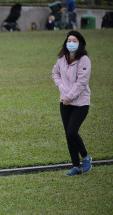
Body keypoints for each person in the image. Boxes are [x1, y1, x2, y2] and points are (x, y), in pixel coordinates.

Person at [52, 31, 92, 176]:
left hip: (80, 103)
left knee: (72, 132)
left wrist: (69, 96)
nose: (71, 43)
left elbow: (82, 83)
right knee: (68, 135)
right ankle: (76, 166)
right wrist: (61, 86)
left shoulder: (84, 60)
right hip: (65, 102)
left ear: (80, 43)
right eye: (69, 40)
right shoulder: (62, 59)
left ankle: (86, 157)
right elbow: (54, 73)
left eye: (74, 40)